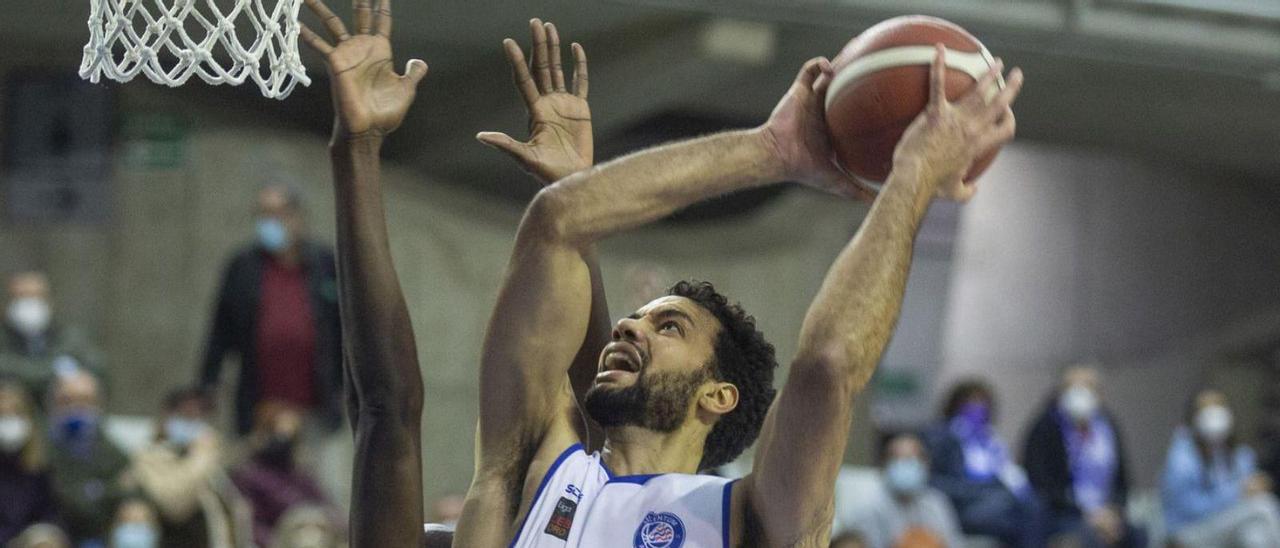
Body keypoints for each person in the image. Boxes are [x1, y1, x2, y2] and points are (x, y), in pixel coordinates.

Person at [454, 17, 1021, 548]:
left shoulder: (747, 517)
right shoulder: (528, 467)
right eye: (641, 317)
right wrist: (769, 149)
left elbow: (827, 365)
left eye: (668, 324)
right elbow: (555, 221)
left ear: (718, 396)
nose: (626, 324)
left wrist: (914, 176)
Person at [296, 1, 612, 544]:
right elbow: (386, 407)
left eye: (670, 326)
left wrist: (359, 151)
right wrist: (357, 149)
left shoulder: (643, 509)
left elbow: (607, 419)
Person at [198, 180, 344, 438]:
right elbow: (220, 331)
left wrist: (348, 390)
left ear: (297, 216)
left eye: (277, 213)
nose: (269, 222)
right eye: (263, 214)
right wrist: (208, 384)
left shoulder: (324, 264)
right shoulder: (243, 266)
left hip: (314, 410)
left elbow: (344, 331)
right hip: (259, 410)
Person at [1022, 364, 1144, 547]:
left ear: (1099, 394)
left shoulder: (1108, 426)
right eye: (1072, 387)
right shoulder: (1047, 427)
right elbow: (1042, 485)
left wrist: (1112, 512)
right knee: (1089, 538)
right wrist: (1086, 514)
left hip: (1106, 513)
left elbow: (1123, 481)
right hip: (1064, 513)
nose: (1079, 394)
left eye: (1086, 387)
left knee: (1137, 535)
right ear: (1061, 393)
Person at [923, 379, 1044, 547]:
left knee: (1033, 505)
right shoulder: (942, 437)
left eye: (982, 403)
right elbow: (935, 482)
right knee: (1024, 514)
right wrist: (984, 487)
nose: (977, 408)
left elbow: (1005, 471)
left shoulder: (990, 439)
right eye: (971, 402)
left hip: (993, 500)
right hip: (962, 505)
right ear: (956, 404)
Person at [1160, 388, 1280, 547]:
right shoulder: (1181, 459)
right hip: (1190, 532)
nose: (1214, 414)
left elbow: (1250, 485)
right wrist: (1239, 492)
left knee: (1253, 536)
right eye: (1207, 409)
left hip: (1228, 525)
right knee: (1263, 506)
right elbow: (1191, 509)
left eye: (1219, 407)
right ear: (1194, 418)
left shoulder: (1238, 454)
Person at [128, 387, 245, 547]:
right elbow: (174, 505)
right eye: (187, 416)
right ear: (166, 416)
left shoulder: (209, 460)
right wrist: (202, 457)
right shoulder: (148, 457)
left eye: (200, 416)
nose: (194, 424)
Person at [229, 401, 342, 547]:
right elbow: (249, 524)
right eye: (280, 434)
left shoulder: (300, 474)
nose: (285, 441)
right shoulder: (248, 475)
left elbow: (327, 507)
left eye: (291, 435)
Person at [45, 370, 132, 545]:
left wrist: (96, 492)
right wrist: (112, 488)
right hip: (55, 533)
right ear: (52, 405)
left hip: (101, 534)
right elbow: (73, 503)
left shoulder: (111, 449)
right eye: (67, 401)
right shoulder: (39, 450)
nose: (77, 409)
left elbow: (134, 488)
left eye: (85, 401)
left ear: (99, 405)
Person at [839, 433, 963, 548]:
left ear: (925, 464)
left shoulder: (936, 504)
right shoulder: (868, 509)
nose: (905, 465)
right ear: (884, 465)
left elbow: (954, 543)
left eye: (910, 460)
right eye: (898, 459)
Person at [0, 271, 104, 401]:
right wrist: (54, 370)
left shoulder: (69, 337)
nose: (30, 304)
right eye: (22, 296)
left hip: (55, 411)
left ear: (49, 300)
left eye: (36, 296)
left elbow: (98, 368)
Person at [0, 381, 57, 545]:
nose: (8, 421)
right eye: (2, 414)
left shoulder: (39, 469)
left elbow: (49, 515)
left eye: (16, 413)